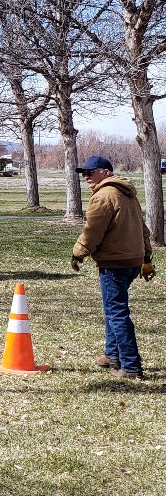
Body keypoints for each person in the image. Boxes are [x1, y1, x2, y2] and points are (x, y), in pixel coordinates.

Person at [71, 155, 155, 379]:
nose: (86, 177)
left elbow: (92, 231)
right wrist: (146, 257)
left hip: (114, 263)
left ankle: (130, 366)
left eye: (91, 172)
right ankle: (112, 355)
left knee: (117, 312)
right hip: (133, 261)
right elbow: (143, 230)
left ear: (106, 172)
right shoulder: (128, 194)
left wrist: (78, 253)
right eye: (84, 174)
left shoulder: (104, 196)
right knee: (113, 309)